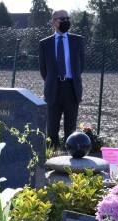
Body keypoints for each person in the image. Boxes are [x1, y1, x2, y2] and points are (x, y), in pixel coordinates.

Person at [38, 10, 85, 149]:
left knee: (70, 129)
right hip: (53, 89)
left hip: (71, 88)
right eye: (62, 19)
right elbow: (43, 70)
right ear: (53, 21)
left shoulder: (77, 40)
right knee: (52, 128)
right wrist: (53, 82)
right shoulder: (44, 43)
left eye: (67, 18)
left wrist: (70, 78)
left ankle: (69, 158)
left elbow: (81, 65)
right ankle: (52, 157)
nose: (66, 21)